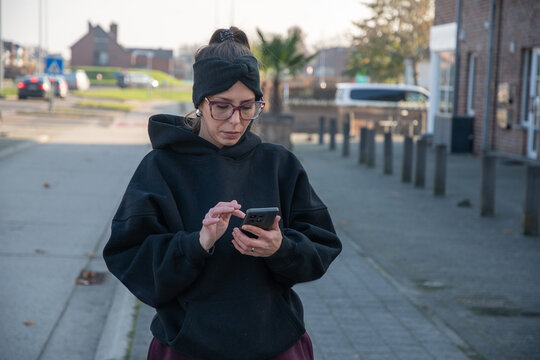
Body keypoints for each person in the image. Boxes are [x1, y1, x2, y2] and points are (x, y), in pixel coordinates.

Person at [103, 26, 342, 360]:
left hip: (274, 346)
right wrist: (196, 244)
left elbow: (322, 245)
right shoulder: (160, 168)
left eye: (248, 107)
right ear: (200, 102)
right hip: (189, 348)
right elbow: (128, 257)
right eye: (222, 106)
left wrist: (280, 247)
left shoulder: (279, 164)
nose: (236, 120)